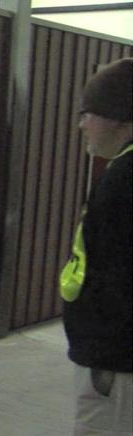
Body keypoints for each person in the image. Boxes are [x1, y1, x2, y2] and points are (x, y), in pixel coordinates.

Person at [61, 57, 132, 435]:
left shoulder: (124, 180)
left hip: (117, 363)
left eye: (89, 113)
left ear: (120, 116)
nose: (82, 125)